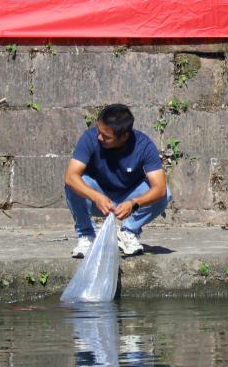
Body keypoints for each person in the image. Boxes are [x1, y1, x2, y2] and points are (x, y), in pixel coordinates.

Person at [64, 103, 171, 258]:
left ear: (124, 136)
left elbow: (160, 188)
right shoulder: (89, 138)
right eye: (98, 131)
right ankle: (86, 235)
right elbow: (71, 176)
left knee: (165, 194)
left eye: (106, 137)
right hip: (98, 197)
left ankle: (128, 232)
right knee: (74, 183)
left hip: (128, 197)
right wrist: (96, 196)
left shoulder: (144, 146)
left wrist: (134, 203)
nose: (99, 137)